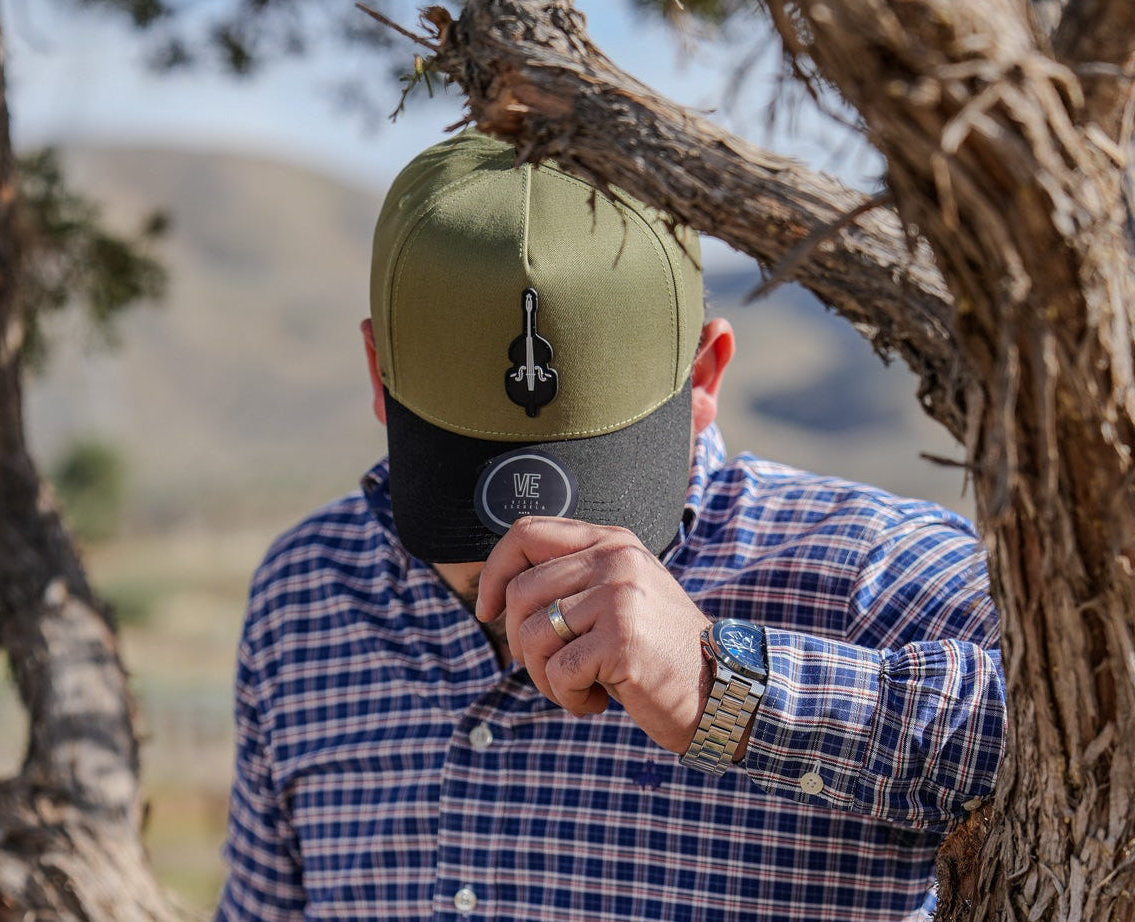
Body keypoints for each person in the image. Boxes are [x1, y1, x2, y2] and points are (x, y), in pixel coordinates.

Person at [214, 131, 1005, 922]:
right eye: (468, 483)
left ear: (704, 375)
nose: (522, 543)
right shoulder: (307, 591)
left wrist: (731, 692)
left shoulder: (870, 571)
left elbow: (1072, 735)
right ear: (377, 372)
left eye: (589, 481)